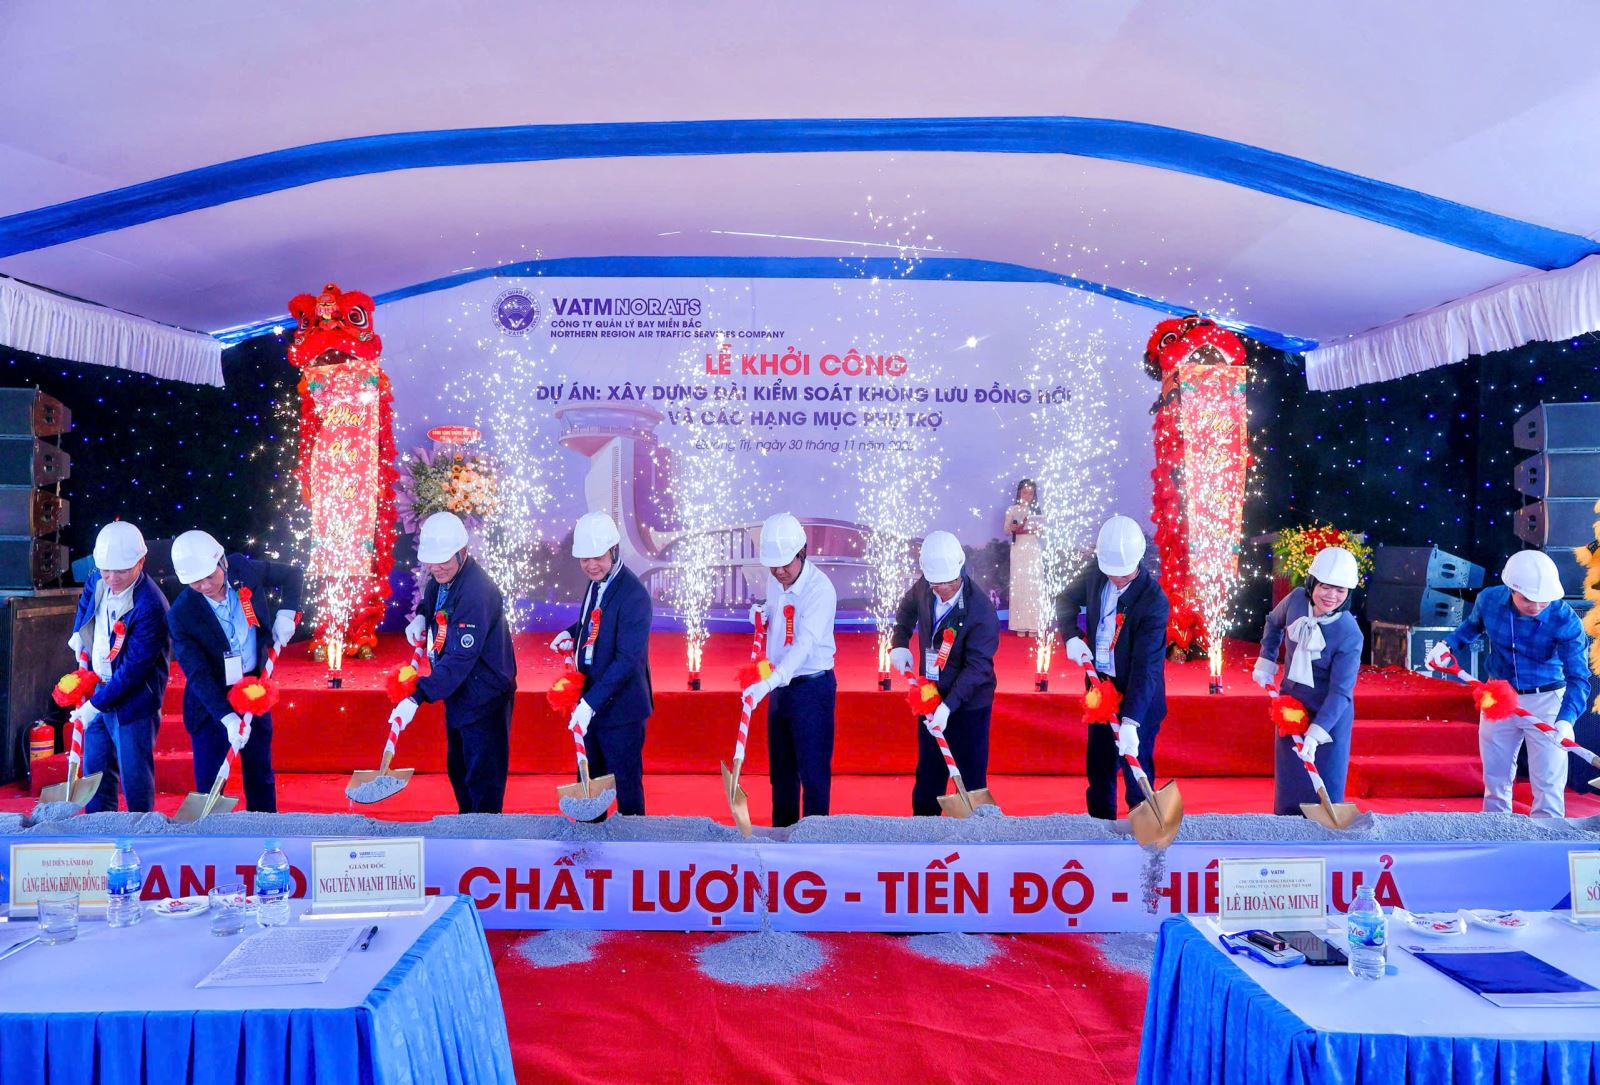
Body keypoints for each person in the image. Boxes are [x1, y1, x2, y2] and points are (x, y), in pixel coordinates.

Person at [1429, 550, 1591, 818]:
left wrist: (1566, 720)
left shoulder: (1566, 620)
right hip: (1496, 694)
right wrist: (1447, 645)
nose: (1536, 606)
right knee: (1495, 773)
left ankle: (1547, 833)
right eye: (1528, 599)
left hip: (1547, 699)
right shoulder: (1489, 599)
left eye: (1543, 600)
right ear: (1512, 589)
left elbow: (1578, 678)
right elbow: (1472, 626)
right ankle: (1495, 827)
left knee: (1549, 778)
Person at [390, 512, 517, 814]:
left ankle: (484, 834)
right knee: (458, 770)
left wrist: (418, 695)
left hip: (484, 696)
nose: (436, 567)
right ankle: (466, 824)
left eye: (443, 560)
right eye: (431, 562)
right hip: (458, 690)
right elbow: (432, 602)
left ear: (463, 552)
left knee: (482, 779)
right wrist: (422, 616)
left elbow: (461, 657)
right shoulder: (441, 579)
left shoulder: (476, 592)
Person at [167, 530, 302, 813]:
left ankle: (264, 827)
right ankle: (211, 833)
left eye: (209, 576)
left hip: (253, 687)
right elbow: (197, 673)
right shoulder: (181, 614)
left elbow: (292, 575)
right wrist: (227, 718)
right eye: (195, 581)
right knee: (210, 781)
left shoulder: (242, 568)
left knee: (260, 773)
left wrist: (287, 613)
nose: (205, 586)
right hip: (211, 701)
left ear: (222, 561)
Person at [1056, 515, 1169, 820]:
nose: (1117, 578)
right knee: (1100, 766)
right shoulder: (1098, 571)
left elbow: (1147, 668)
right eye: (1111, 573)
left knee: (1136, 768)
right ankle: (1100, 825)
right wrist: (1071, 636)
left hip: (1138, 696)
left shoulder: (1153, 601)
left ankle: (1142, 825)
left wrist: (1131, 721)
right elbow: (1065, 599)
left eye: (1124, 573)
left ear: (1138, 560)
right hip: (1100, 688)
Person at [548, 511, 653, 816]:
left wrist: (589, 704)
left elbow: (627, 660)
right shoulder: (597, 582)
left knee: (626, 787)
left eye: (598, 557)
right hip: (591, 700)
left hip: (621, 710)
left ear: (614, 551)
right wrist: (571, 633)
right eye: (585, 559)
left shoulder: (634, 595)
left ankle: (633, 840)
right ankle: (590, 839)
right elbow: (593, 623)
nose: (591, 565)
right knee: (589, 782)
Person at [890, 530, 999, 815]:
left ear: (960, 570)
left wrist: (948, 707)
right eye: (935, 583)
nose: (941, 589)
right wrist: (899, 643)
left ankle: (974, 832)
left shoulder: (980, 610)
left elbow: (978, 667)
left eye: (948, 583)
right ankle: (924, 827)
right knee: (928, 775)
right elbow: (906, 609)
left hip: (969, 705)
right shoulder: (927, 585)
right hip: (930, 696)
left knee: (971, 778)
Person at [67, 521, 170, 813]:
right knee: (95, 770)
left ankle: (140, 827)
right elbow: (87, 600)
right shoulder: (97, 579)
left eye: (121, 571)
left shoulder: (152, 606)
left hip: (133, 698)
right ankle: (99, 825)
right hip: (97, 684)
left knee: (134, 774)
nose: (112, 578)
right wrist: (79, 632)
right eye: (106, 570)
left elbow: (134, 670)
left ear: (141, 562)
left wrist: (94, 705)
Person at [742, 512, 838, 826]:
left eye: (785, 564)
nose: (779, 571)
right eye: (773, 565)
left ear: (802, 553)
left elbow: (803, 645)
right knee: (781, 773)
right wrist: (762, 614)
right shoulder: (776, 580)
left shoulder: (820, 590)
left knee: (812, 774)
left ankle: (814, 841)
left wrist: (768, 683)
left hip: (812, 687)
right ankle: (782, 838)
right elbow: (779, 619)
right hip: (780, 687)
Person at [1251, 547, 1363, 816]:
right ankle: (1287, 830)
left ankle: (1324, 836)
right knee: (1291, 782)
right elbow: (1273, 623)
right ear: (1312, 582)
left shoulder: (1350, 633)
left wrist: (1315, 733)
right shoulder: (1295, 600)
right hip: (1291, 705)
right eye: (1325, 586)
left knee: (1326, 782)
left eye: (1340, 590)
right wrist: (1266, 659)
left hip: (1329, 715)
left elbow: (1341, 692)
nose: (1331, 596)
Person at [1004, 479, 1042, 634]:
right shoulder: (1012, 509)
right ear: (1019, 492)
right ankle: (1019, 625)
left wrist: (1035, 529)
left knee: (1033, 585)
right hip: (1018, 548)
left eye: (1030, 493)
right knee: (1019, 585)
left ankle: (1034, 625)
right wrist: (1013, 527)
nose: (1027, 496)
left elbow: (1041, 532)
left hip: (1033, 548)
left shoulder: (1037, 511)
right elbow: (1006, 530)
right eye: (1025, 492)